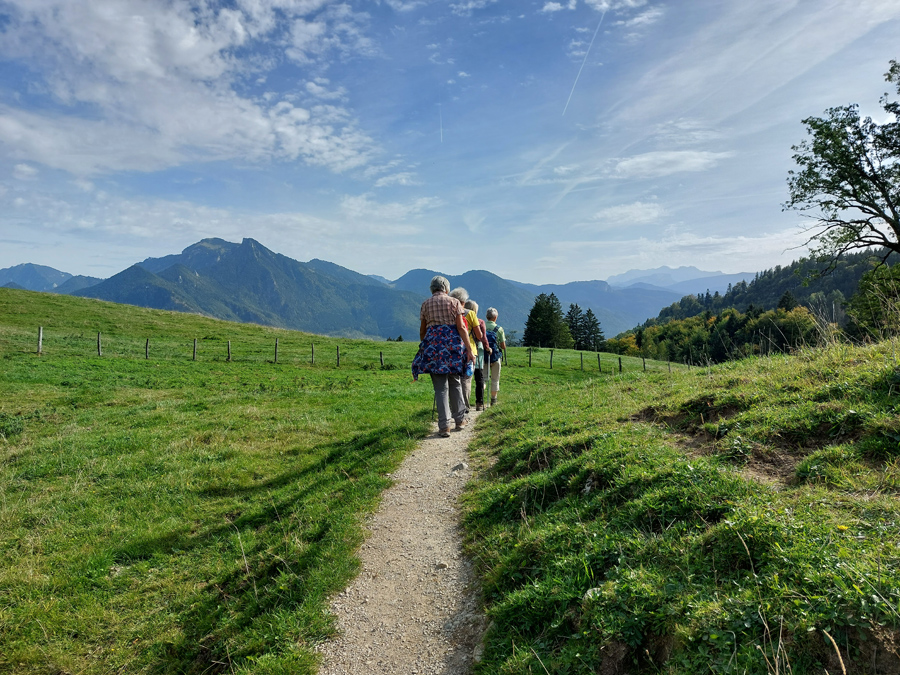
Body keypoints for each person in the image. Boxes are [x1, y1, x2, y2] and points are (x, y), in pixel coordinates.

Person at [412, 276, 475, 437]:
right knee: (454, 382)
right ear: (446, 289)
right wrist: (468, 349)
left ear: (432, 289)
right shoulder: (454, 302)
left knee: (440, 388)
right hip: (452, 348)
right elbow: (461, 327)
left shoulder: (425, 304)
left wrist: (426, 345)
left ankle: (444, 426)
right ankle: (460, 420)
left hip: (434, 347)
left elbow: (422, 329)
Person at [449, 288, 486, 415]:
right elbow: (479, 335)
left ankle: (454, 407)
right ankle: (465, 408)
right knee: (466, 380)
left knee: (453, 379)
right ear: (464, 301)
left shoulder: (450, 312)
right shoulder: (470, 314)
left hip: (453, 350)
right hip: (469, 350)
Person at [464, 298, 491, 411]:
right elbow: (482, 337)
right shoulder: (480, 322)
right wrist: (487, 348)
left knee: (465, 377)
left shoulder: (460, 318)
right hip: (477, 350)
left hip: (464, 349)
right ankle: (479, 403)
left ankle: (464, 404)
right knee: (479, 377)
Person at [484, 307, 506, 406]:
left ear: (486, 317)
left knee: (483, 379)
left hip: (484, 356)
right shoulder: (499, 329)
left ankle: (480, 399)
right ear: (495, 317)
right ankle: (493, 399)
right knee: (495, 379)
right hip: (496, 357)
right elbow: (503, 346)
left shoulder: (481, 326)